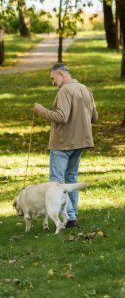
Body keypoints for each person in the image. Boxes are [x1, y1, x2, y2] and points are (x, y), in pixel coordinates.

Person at [33, 63, 98, 228]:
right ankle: (72, 216)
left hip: (63, 143)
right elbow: (94, 117)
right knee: (71, 179)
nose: (52, 82)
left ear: (61, 74)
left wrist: (41, 111)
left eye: (53, 78)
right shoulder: (85, 89)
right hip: (81, 142)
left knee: (56, 182)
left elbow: (61, 116)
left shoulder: (64, 90)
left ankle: (62, 218)